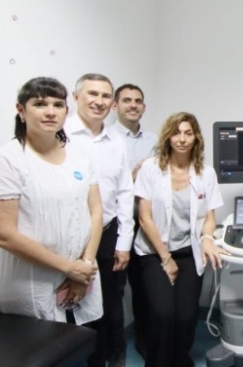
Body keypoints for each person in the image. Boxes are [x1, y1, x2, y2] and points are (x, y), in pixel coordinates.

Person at [0, 77, 102, 325]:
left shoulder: (80, 154)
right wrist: (68, 268)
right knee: (38, 342)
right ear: (21, 110)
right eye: (39, 104)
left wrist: (84, 266)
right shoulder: (9, 159)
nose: (50, 112)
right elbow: (5, 234)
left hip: (82, 273)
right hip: (32, 279)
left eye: (58, 105)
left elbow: (96, 211)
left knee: (82, 339)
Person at [134, 112, 227, 367]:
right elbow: (144, 218)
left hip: (189, 252)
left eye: (188, 133)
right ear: (168, 137)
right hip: (154, 253)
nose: (182, 139)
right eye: (177, 133)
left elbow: (209, 217)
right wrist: (166, 259)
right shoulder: (151, 169)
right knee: (163, 313)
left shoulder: (205, 173)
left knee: (186, 316)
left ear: (196, 137)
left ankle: (180, 361)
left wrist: (207, 238)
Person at [64, 73, 134, 367]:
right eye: (92, 94)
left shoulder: (117, 140)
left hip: (107, 233)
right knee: (73, 305)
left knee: (111, 304)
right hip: (69, 237)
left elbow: (125, 192)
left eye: (105, 96)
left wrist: (124, 243)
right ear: (76, 97)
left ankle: (111, 358)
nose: (99, 101)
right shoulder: (61, 135)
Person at [110, 83, 158, 357]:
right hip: (117, 223)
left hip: (147, 220)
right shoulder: (107, 139)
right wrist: (133, 175)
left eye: (137, 101)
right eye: (127, 100)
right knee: (114, 289)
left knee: (145, 287)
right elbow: (104, 186)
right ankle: (114, 351)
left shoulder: (154, 140)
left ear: (144, 107)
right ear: (115, 106)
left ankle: (146, 342)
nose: (133, 105)